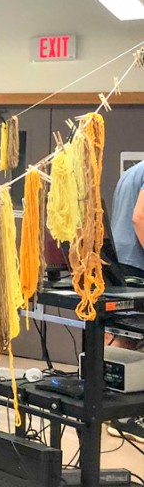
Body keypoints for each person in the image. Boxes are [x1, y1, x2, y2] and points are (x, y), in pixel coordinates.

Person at [107, 161, 144, 442]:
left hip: (119, 263)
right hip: (137, 266)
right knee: (130, 335)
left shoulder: (133, 171)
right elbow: (140, 218)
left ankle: (105, 406)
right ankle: (124, 415)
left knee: (121, 334)